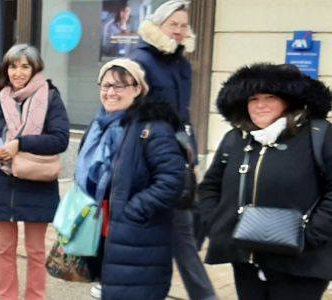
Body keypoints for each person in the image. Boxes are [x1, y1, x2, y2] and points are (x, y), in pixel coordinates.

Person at [198, 63, 332, 300]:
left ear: (288, 101)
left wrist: (309, 235)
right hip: (247, 260)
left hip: (301, 263)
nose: (260, 105)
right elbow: (210, 186)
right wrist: (215, 222)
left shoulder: (319, 135)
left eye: (270, 97)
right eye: (254, 98)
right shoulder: (235, 139)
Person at [128, 1, 217, 299]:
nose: (179, 31)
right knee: (181, 235)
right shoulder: (141, 60)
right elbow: (132, 113)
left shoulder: (182, 63)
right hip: (152, 159)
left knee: (181, 231)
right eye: (173, 25)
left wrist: (190, 150)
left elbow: (185, 113)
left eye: (183, 25)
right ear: (158, 25)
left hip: (177, 157)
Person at [79, 58, 185, 300]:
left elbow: (172, 180)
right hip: (105, 232)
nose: (110, 92)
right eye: (105, 86)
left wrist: (133, 211)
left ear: (138, 89)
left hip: (139, 237)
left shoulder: (152, 126)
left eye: (119, 86)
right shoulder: (99, 126)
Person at [0, 44, 69, 300]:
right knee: (4, 249)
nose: (18, 72)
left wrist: (21, 144)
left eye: (25, 66)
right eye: (13, 66)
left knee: (36, 251)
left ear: (35, 69)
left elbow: (60, 139)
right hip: (2, 179)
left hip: (37, 179)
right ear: (6, 69)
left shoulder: (50, 96)